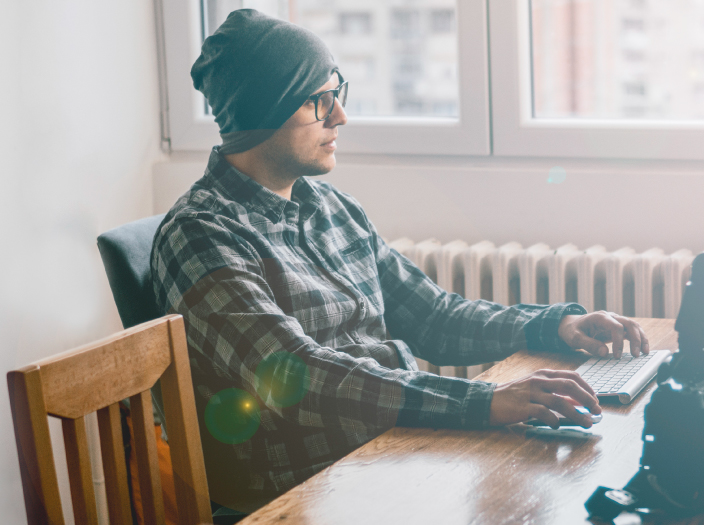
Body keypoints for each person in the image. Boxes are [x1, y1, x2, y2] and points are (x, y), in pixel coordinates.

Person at [152, 9, 649, 512]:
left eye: (336, 94)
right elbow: (299, 378)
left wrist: (556, 326)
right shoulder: (200, 235)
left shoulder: (333, 208)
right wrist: (482, 402)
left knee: (574, 484)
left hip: (390, 454)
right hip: (307, 495)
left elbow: (433, 315)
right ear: (260, 113)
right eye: (315, 101)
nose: (339, 116)